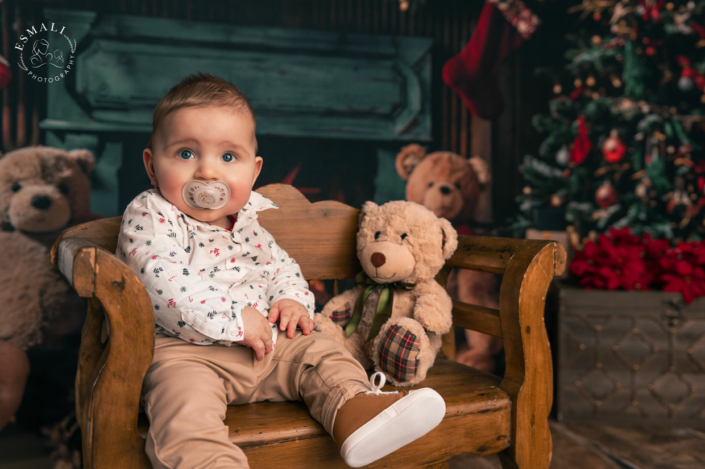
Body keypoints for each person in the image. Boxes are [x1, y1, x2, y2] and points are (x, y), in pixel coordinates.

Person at [116, 72, 446, 469]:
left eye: (227, 157)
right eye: (186, 153)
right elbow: (161, 281)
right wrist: (237, 321)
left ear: (253, 173)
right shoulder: (151, 214)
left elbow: (280, 267)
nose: (207, 172)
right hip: (185, 353)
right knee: (181, 402)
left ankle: (358, 414)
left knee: (321, 352)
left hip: (266, 350)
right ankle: (209, 463)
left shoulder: (248, 223)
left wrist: (291, 299)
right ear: (152, 166)